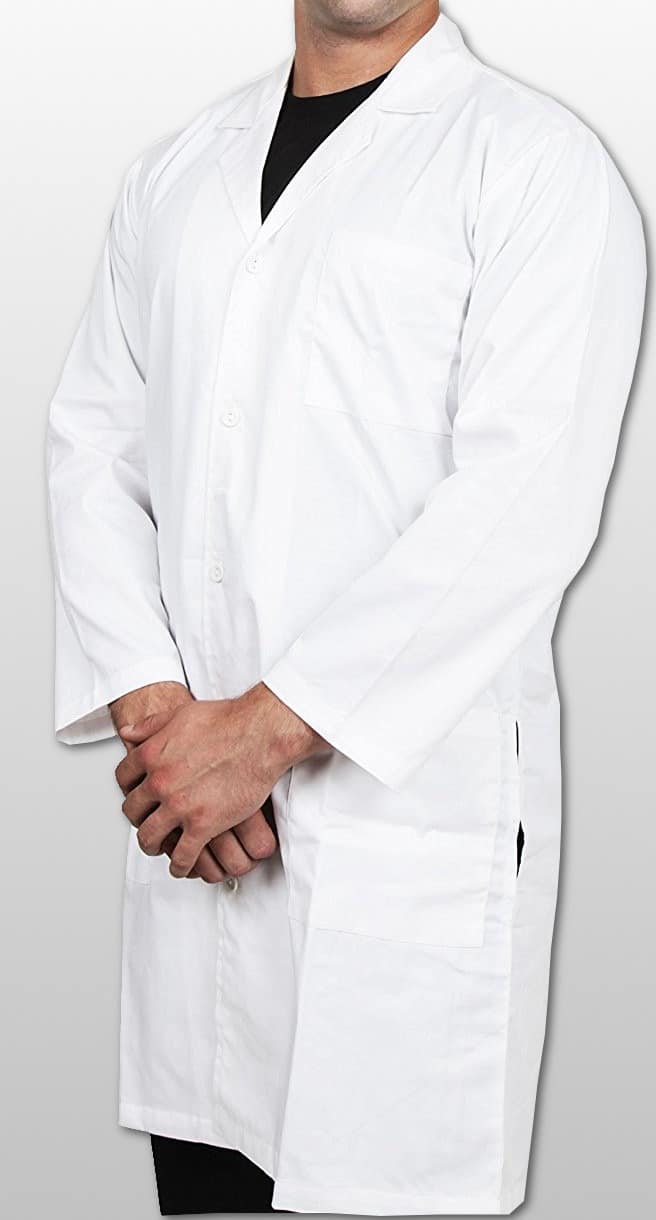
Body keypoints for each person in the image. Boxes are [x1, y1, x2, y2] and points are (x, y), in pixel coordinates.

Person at [46, 1, 646, 1214]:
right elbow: (93, 449)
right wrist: (164, 722)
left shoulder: (535, 165)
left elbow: (522, 500)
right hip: (198, 845)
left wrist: (260, 734)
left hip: (398, 847)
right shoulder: (175, 173)